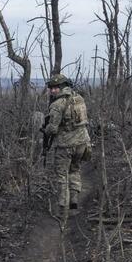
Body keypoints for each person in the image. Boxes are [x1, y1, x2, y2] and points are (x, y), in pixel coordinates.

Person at [42, 73, 91, 212]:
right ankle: (74, 201)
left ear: (63, 87)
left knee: (62, 175)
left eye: (55, 87)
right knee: (75, 170)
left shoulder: (57, 104)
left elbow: (52, 128)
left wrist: (45, 130)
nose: (52, 90)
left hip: (65, 145)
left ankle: (63, 208)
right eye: (51, 88)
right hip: (82, 142)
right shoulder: (79, 98)